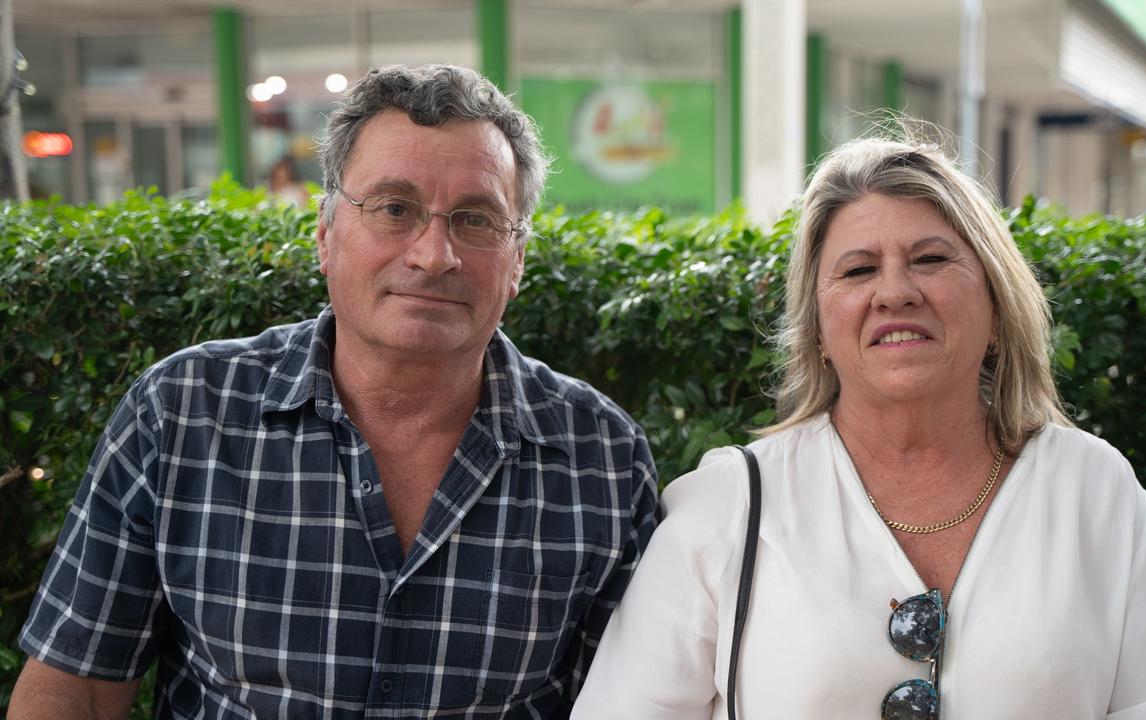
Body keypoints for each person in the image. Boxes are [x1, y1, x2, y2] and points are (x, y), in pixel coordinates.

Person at [11, 63, 660, 719]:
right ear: (325, 235)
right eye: (394, 208)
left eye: (476, 219)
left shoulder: (601, 459)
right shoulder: (182, 414)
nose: (435, 255)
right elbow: (79, 690)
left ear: (517, 259)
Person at [573, 135, 1146, 719]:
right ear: (818, 330)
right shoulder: (728, 508)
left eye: (931, 259)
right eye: (857, 270)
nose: (895, 292)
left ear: (995, 305)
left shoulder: (1096, 492)